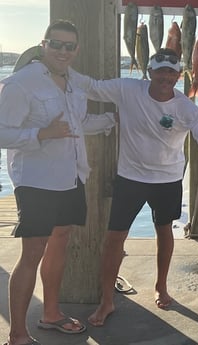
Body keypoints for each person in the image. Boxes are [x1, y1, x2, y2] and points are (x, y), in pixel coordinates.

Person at [80, 48, 198, 327]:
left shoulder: (186, 107)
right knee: (114, 237)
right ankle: (106, 300)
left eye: (171, 72)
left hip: (168, 179)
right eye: (160, 71)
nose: (165, 77)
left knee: (164, 231)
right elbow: (91, 88)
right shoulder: (127, 89)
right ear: (149, 72)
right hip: (130, 177)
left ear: (178, 75)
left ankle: (161, 286)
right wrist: (56, 68)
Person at [0, 20, 116, 345]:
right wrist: (40, 134)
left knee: (61, 239)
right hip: (36, 182)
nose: (63, 51)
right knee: (32, 251)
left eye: (69, 46)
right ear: (44, 44)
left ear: (76, 49)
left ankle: (51, 314)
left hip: (71, 176)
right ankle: (17, 335)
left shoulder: (73, 82)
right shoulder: (20, 84)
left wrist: (115, 119)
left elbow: (77, 123)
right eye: (57, 44)